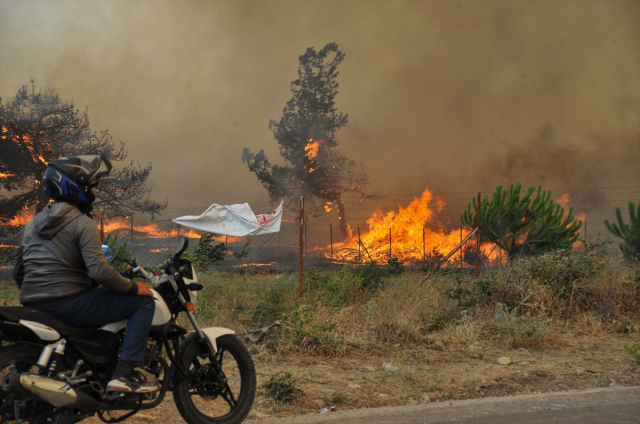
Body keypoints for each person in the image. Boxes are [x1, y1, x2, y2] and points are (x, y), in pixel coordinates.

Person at [14, 155, 157, 393]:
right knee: (143, 303)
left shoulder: (32, 224)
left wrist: (39, 293)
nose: (95, 193)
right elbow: (99, 271)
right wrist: (135, 287)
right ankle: (123, 375)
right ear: (77, 187)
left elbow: (20, 271)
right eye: (92, 186)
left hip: (33, 303)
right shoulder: (82, 223)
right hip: (69, 303)